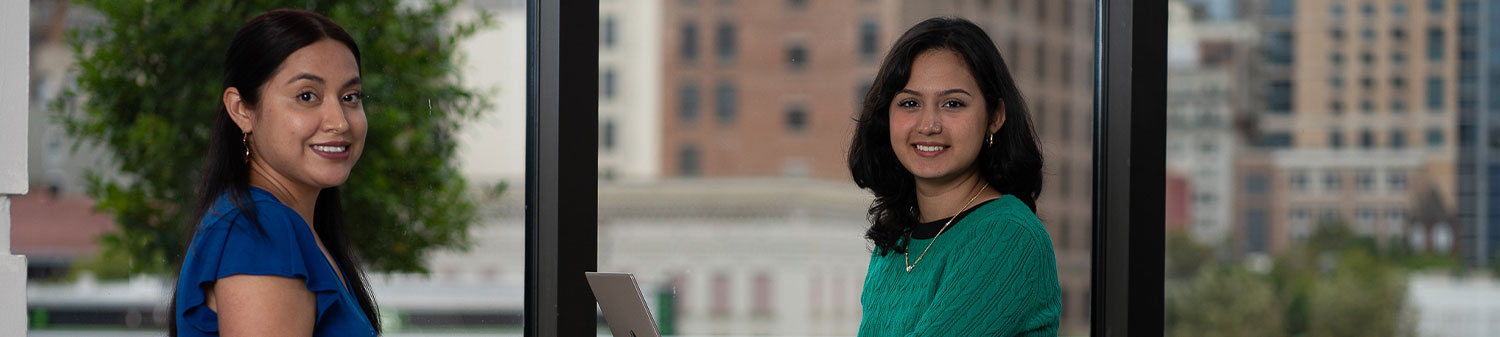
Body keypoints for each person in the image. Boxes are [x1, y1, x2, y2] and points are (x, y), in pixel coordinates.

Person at [172, 9, 379, 336]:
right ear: (242, 110)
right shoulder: (260, 231)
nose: (339, 121)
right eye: (307, 96)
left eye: (350, 97)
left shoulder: (278, 225)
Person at [848, 17, 1060, 336]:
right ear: (886, 116)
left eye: (952, 103)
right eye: (909, 103)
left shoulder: (1008, 236)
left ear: (994, 117)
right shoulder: (895, 242)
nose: (929, 124)